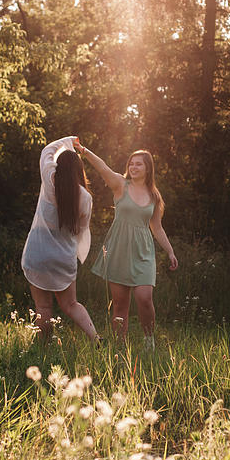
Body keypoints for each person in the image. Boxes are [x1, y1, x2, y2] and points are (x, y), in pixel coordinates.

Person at [73, 139, 178, 350]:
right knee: (120, 305)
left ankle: (149, 340)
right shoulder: (121, 184)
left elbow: (157, 228)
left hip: (144, 252)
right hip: (119, 249)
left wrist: (170, 251)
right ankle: (120, 347)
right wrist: (84, 151)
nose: (134, 167)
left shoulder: (154, 196)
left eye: (139, 163)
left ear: (148, 168)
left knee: (144, 298)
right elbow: (102, 167)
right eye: (131, 163)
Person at [21, 136, 100, 343]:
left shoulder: (49, 179)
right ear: (79, 171)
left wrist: (67, 140)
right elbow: (82, 228)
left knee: (44, 307)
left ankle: (44, 348)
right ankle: (95, 337)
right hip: (63, 257)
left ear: (59, 166)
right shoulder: (85, 198)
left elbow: (46, 151)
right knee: (71, 304)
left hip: (37, 252)